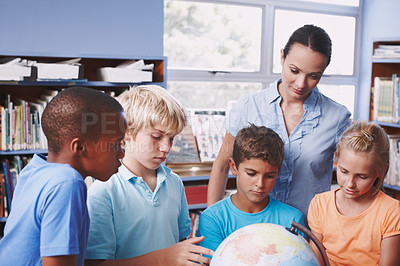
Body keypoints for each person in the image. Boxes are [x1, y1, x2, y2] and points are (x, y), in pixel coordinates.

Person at [207, 24, 352, 220]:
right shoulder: (249, 106)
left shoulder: (336, 117)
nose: (301, 84)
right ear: (282, 57)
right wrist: (212, 221)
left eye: (313, 76)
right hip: (251, 228)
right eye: (294, 70)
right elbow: (222, 165)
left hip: (310, 231)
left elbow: (355, 174)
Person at [85, 85, 213, 265]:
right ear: (126, 132)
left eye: (171, 138)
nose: (166, 148)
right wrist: (163, 259)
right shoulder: (103, 191)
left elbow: (181, 242)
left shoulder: (175, 183)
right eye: (156, 136)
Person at [0, 87, 128, 266]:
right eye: (116, 144)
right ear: (80, 147)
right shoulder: (67, 182)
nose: (121, 154)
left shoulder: (34, 169)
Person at [199, 124, 305, 252]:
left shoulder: (292, 219)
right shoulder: (213, 219)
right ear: (234, 167)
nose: (260, 184)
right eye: (251, 174)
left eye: (270, 176)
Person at [308, 121, 400, 265]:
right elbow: (314, 260)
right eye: (344, 171)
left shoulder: (392, 212)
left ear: (381, 172)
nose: (350, 184)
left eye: (362, 176)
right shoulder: (320, 204)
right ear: (336, 159)